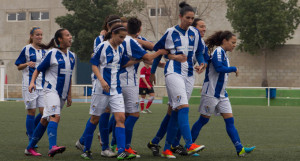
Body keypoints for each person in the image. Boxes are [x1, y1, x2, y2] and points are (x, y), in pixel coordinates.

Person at [148, 2, 206, 158]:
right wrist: (152, 72)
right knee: (184, 107)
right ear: (180, 17)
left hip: (189, 75)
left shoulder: (195, 33)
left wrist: (201, 63)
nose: (189, 21)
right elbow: (159, 51)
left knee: (175, 111)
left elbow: (200, 52)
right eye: (187, 18)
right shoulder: (170, 32)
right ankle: (189, 143)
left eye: (192, 18)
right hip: (173, 72)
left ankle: (167, 148)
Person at [191, 30, 256, 157]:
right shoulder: (218, 52)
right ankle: (190, 146)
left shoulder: (224, 54)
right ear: (224, 41)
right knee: (203, 121)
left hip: (222, 94)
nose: (234, 45)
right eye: (232, 42)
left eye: (235, 43)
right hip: (211, 93)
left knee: (230, 121)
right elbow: (219, 68)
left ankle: (240, 148)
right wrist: (234, 69)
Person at [78, 24, 137, 160]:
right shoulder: (103, 46)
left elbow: (124, 63)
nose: (122, 40)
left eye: (124, 37)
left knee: (120, 118)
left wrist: (142, 59)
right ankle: (86, 150)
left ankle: (121, 151)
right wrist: (102, 80)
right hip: (101, 89)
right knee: (94, 119)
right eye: (120, 37)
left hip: (116, 89)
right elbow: (94, 65)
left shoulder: (121, 48)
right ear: (113, 34)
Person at [117, 17, 168, 157]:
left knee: (121, 115)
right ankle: (123, 147)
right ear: (139, 29)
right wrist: (161, 52)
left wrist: (159, 64)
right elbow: (149, 57)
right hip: (128, 82)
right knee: (133, 114)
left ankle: (116, 144)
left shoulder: (121, 40)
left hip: (118, 80)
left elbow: (143, 57)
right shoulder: (131, 42)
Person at [24, 28, 75, 157]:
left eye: (70, 35)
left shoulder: (72, 56)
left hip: (62, 94)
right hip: (50, 91)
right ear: (60, 39)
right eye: (67, 35)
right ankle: (52, 147)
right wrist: (32, 82)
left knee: (45, 120)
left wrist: (69, 95)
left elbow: (69, 77)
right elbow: (38, 69)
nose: (70, 37)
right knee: (55, 116)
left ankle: (29, 148)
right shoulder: (52, 53)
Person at [76, 15, 122, 155]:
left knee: (111, 115)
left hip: (113, 81)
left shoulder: (119, 41)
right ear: (109, 27)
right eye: (116, 25)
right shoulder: (101, 40)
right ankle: (103, 147)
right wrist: (101, 80)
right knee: (101, 114)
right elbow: (96, 60)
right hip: (100, 80)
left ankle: (84, 141)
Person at [15, 27, 46, 147]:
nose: (39, 37)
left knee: (44, 113)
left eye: (41, 35)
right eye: (37, 34)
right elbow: (18, 66)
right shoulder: (26, 49)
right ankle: (32, 138)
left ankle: (31, 130)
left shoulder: (44, 50)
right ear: (31, 36)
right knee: (31, 111)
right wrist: (27, 64)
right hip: (29, 85)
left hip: (42, 85)